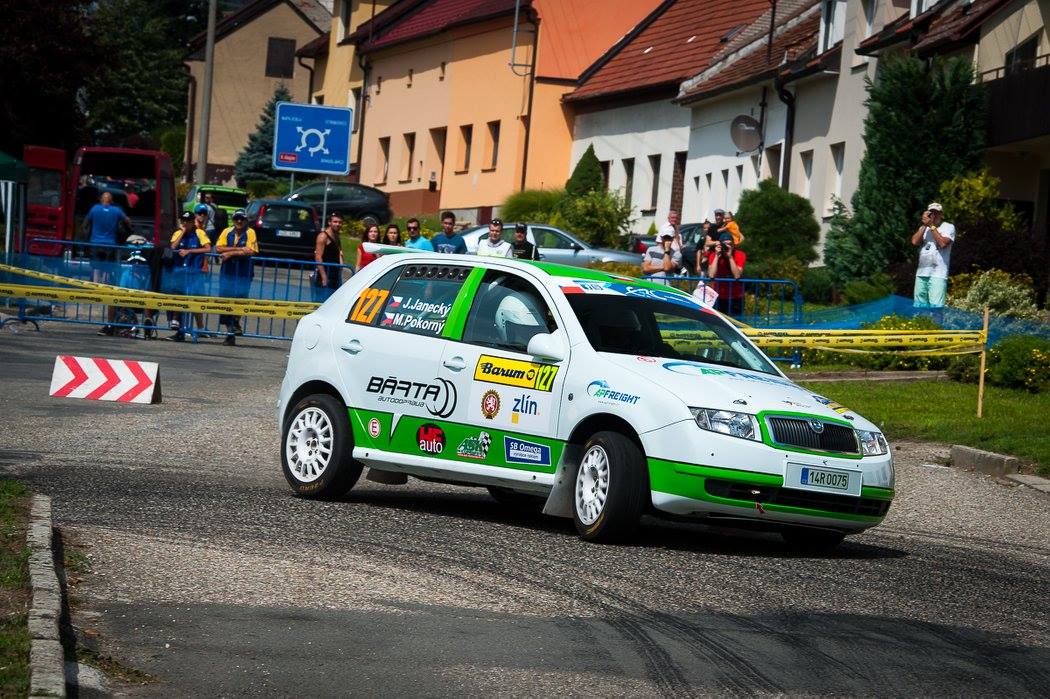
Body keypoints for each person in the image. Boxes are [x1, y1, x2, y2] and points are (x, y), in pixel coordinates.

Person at [82, 191, 132, 335]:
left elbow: (86, 223)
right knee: (108, 268)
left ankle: (95, 288)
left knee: (96, 267)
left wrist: (86, 235)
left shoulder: (95, 209)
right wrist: (126, 229)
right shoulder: (116, 210)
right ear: (111, 200)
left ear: (101, 199)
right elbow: (128, 220)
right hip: (110, 243)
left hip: (95, 242)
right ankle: (106, 287)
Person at [214, 209, 258, 345]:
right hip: (227, 271)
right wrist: (239, 250)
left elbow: (251, 251)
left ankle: (235, 323)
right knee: (225, 299)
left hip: (244, 272)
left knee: (240, 299)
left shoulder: (250, 232)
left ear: (246, 220)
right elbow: (218, 248)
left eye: (242, 219)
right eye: (237, 218)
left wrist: (230, 253)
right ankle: (230, 331)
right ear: (233, 220)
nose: (239, 221)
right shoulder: (227, 231)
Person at [168, 211, 211, 341]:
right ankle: (178, 325)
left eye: (188, 221)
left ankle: (200, 328)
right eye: (183, 221)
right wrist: (182, 232)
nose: (185, 223)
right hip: (179, 271)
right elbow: (173, 247)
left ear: (193, 222)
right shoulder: (177, 233)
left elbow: (208, 248)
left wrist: (189, 251)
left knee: (195, 299)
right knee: (178, 296)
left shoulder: (199, 233)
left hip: (194, 271)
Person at [910, 202, 955, 309]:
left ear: (941, 215)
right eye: (931, 213)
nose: (933, 216)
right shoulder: (924, 228)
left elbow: (943, 243)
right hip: (921, 273)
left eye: (936, 213)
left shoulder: (948, 227)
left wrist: (931, 226)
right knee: (920, 307)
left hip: (938, 274)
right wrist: (925, 225)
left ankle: (935, 321)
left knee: (936, 308)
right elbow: (914, 241)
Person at [706, 232, 746, 316]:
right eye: (725, 244)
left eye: (730, 244)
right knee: (719, 322)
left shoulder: (740, 254)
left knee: (736, 321)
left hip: (736, 296)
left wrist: (730, 257)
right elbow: (711, 275)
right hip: (719, 296)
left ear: (733, 245)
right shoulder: (713, 255)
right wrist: (717, 256)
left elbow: (737, 275)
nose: (727, 246)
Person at [314, 212, 345, 302]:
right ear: (329, 222)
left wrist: (341, 269)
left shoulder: (336, 236)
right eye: (335, 222)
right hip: (325, 275)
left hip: (335, 275)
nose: (338, 224)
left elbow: (339, 253)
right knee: (321, 302)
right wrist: (324, 277)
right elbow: (318, 257)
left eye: (340, 222)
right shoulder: (323, 236)